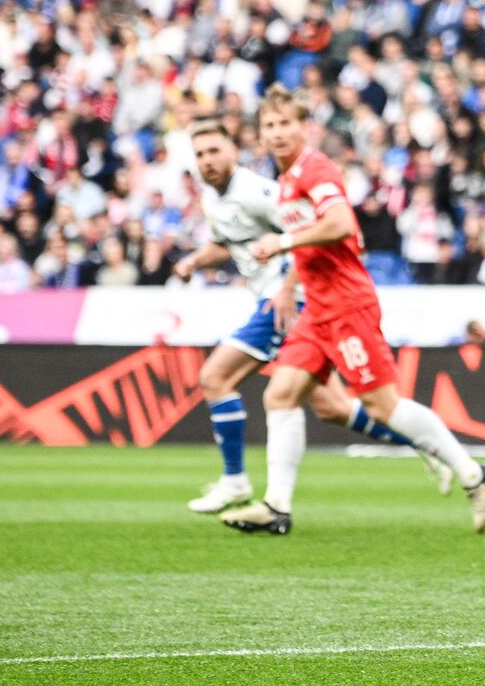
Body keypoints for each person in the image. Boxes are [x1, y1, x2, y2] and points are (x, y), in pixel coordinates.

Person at [219, 89, 485, 535]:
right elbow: (313, 242)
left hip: (346, 305)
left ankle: (472, 473)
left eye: (285, 123)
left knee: (382, 406)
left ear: (304, 127)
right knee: (281, 395)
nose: (277, 133)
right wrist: (291, 283)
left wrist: (281, 243)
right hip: (316, 308)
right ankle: (276, 507)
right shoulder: (287, 179)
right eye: (269, 126)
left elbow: (341, 224)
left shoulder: (315, 169)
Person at [177, 120, 454, 514]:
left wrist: (289, 288)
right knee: (334, 408)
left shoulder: (257, 192)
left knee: (215, 377)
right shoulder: (214, 199)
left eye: (214, 150)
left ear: (233, 151)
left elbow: (307, 229)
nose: (208, 160)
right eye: (200, 154)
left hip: (289, 302)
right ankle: (425, 445)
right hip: (281, 299)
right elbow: (232, 244)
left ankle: (236, 481)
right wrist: (193, 261)